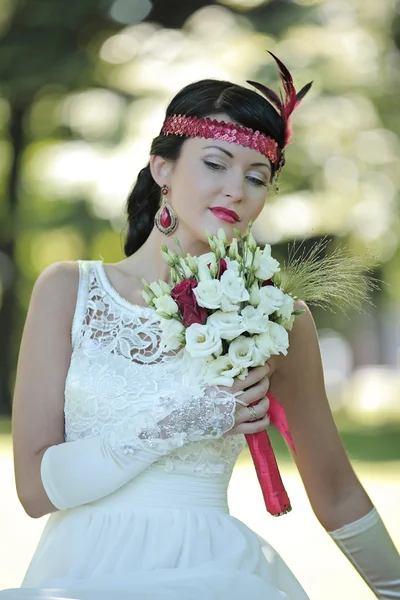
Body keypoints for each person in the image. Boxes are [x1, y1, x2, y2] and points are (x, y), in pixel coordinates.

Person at [1, 53, 399, 600]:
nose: (236, 189)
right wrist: (182, 421)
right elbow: (35, 491)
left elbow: (335, 491)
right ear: (162, 168)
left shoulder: (281, 320)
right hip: (78, 576)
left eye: (256, 177)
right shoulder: (67, 290)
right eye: (215, 163)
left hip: (214, 575)